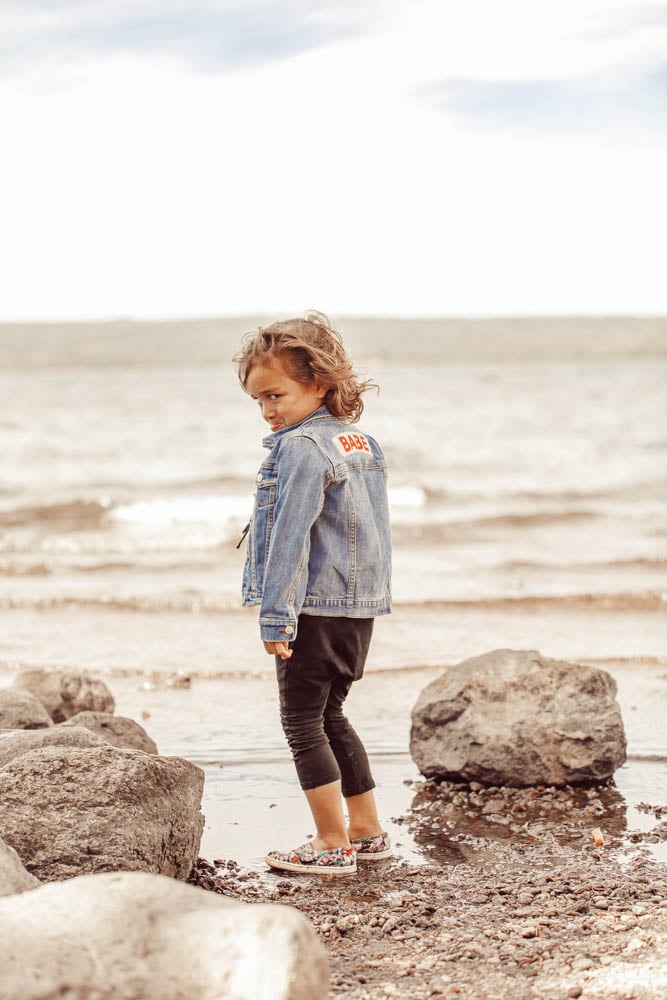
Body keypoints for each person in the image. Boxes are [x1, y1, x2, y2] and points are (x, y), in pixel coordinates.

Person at [234, 312, 393, 877]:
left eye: (276, 395)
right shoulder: (360, 441)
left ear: (319, 384)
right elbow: (373, 530)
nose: (269, 410)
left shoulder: (301, 448)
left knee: (303, 722)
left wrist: (276, 618)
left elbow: (290, 537)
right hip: (357, 608)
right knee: (332, 715)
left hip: (312, 608)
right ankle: (366, 831)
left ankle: (332, 841)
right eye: (259, 401)